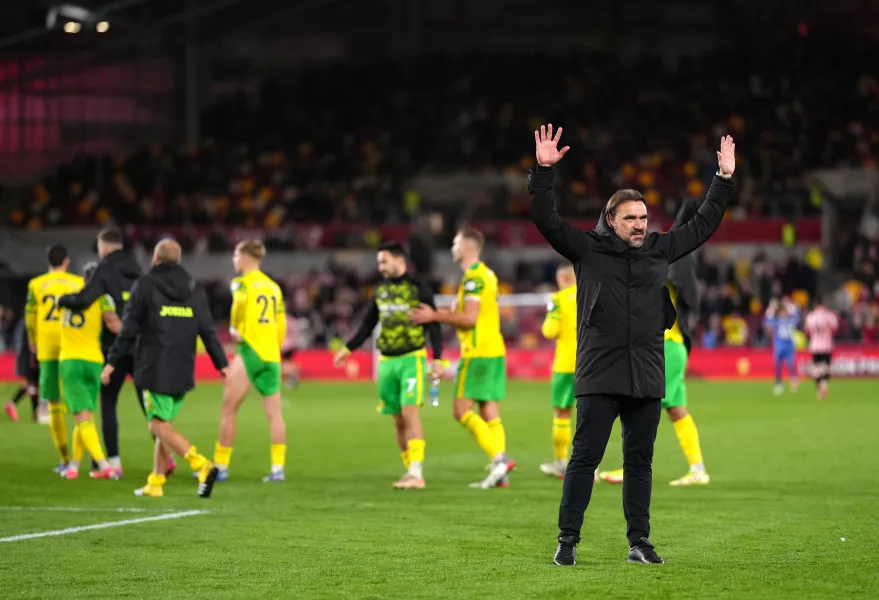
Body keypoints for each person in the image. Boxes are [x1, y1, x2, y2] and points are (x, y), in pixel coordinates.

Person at [529, 124, 736, 566]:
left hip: (645, 373)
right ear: (611, 220)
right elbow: (547, 219)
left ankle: (639, 542)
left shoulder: (659, 250)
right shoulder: (586, 250)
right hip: (599, 373)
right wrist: (543, 172)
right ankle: (567, 540)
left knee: (640, 464)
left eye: (644, 218)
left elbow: (701, 226)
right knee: (584, 460)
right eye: (631, 219)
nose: (641, 225)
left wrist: (722, 181)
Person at [101, 239, 229, 499]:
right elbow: (207, 328)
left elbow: (128, 328)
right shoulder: (194, 288)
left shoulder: (145, 285)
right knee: (164, 423)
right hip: (183, 365)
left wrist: (112, 361)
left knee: (157, 425)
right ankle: (156, 481)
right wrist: (221, 364)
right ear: (179, 261)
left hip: (153, 365)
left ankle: (201, 465)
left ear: (155, 259)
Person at [600, 199, 710, 487]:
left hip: (665, 346)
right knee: (676, 409)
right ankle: (698, 469)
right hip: (674, 346)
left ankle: (631, 467)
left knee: (638, 405)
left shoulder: (666, 265)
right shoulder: (679, 268)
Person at [410, 228, 515, 489]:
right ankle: (500, 473)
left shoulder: (474, 278)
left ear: (466, 247)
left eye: (455, 242)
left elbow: (469, 318)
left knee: (461, 411)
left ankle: (499, 459)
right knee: (488, 408)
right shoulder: (484, 274)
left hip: (478, 352)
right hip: (493, 350)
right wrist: (438, 313)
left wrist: (433, 316)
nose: (452, 247)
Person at [334, 242, 442, 489]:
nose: (380, 267)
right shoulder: (380, 289)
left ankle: (417, 473)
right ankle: (410, 469)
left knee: (409, 413)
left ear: (398, 260)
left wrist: (437, 358)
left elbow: (433, 324)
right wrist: (348, 348)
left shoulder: (418, 288)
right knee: (397, 419)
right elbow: (368, 323)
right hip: (386, 361)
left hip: (412, 358)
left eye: (384, 261)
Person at [58, 227, 146, 477]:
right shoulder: (130, 277)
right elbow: (117, 318)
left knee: (91, 410)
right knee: (148, 404)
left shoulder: (77, 301)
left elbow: (108, 322)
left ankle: (106, 464)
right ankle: (76, 466)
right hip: (105, 357)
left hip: (84, 357)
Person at [211, 240, 288, 483]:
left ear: (245, 256)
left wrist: (234, 326)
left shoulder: (242, 283)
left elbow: (240, 304)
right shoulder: (274, 287)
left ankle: (220, 466)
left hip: (250, 351)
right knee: (275, 414)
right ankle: (278, 469)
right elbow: (282, 323)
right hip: (271, 355)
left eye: (235, 254)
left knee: (228, 409)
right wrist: (274, 348)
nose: (234, 260)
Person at [58, 262, 122, 480]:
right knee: (85, 415)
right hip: (94, 360)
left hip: (70, 360)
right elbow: (114, 325)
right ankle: (74, 467)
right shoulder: (104, 299)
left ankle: (104, 465)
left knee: (82, 414)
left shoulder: (67, 297)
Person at [25, 245, 83, 471]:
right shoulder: (78, 283)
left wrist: (32, 340)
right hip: (73, 346)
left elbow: (30, 315)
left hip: (47, 349)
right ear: (66, 261)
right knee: (81, 405)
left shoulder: (36, 284)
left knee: (54, 405)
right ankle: (90, 456)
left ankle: (65, 459)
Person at [538, 263, 585, 480]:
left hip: (566, 364)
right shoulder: (590, 293)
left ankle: (561, 463)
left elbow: (549, 331)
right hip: (590, 363)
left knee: (562, 414)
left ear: (564, 278)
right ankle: (589, 464)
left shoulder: (557, 300)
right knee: (590, 415)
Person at [5, 318, 40, 423]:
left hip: (28, 356)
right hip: (30, 357)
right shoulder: (30, 323)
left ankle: (34, 413)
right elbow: (29, 342)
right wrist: (33, 355)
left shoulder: (26, 322)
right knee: (32, 385)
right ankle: (33, 413)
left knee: (33, 385)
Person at [764, 297, 801, 395]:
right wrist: (771, 308)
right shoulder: (777, 321)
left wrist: (789, 305)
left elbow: (798, 315)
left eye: (784, 312)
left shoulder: (791, 320)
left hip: (789, 344)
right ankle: (778, 383)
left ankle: (793, 381)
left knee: (791, 364)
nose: (783, 314)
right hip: (779, 344)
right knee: (777, 364)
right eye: (781, 312)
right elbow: (767, 321)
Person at [804, 300, 839, 400]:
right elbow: (835, 327)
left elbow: (807, 330)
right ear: (824, 305)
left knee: (817, 368)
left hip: (815, 345)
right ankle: (823, 384)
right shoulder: (829, 315)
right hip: (827, 345)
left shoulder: (810, 316)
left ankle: (820, 387)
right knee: (826, 367)